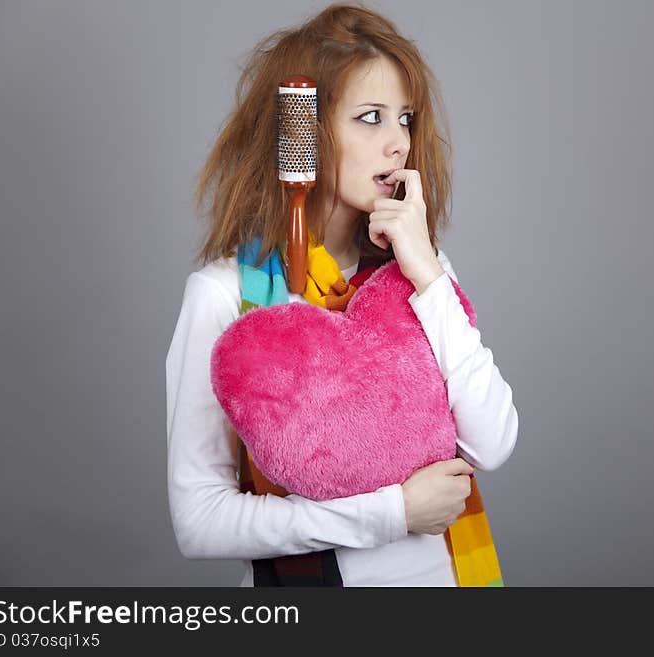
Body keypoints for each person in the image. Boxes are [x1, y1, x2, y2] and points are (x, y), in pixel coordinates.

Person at [165, 2, 518, 587]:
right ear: (301, 131)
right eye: (371, 116)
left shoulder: (419, 278)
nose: (398, 143)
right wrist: (390, 514)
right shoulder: (226, 298)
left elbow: (493, 442)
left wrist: (429, 272)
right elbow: (200, 520)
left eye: (405, 119)